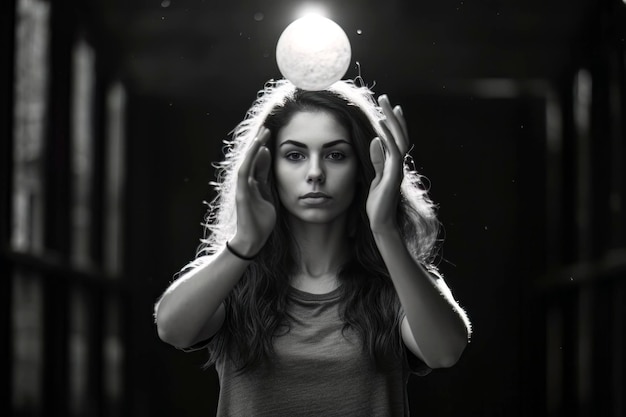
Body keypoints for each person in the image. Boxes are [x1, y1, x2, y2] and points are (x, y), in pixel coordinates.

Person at [154, 78, 471, 416]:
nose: (315, 173)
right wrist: (244, 243)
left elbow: (444, 353)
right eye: (295, 155)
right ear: (267, 168)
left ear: (363, 168)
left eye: (335, 155)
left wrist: (385, 229)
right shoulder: (234, 278)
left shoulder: (398, 283)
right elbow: (173, 330)